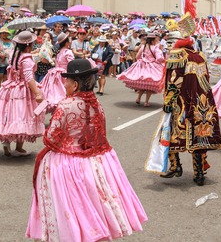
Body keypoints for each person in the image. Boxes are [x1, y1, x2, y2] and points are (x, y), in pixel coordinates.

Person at [26, 58, 147, 241]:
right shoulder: (97, 105)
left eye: (66, 81)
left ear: (74, 84)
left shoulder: (66, 105)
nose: (64, 84)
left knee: (72, 209)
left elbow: (50, 139)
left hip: (69, 164)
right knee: (94, 206)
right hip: (97, 162)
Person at [158, 16, 221, 186]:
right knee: (198, 135)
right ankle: (199, 173)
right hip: (202, 101)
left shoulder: (177, 55)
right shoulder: (199, 55)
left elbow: (174, 80)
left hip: (182, 102)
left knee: (172, 132)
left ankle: (175, 166)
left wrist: (169, 100)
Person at [0, 30, 44, 156]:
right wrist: (37, 92)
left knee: (9, 115)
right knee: (22, 116)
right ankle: (19, 147)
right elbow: (28, 77)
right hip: (22, 90)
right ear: (28, 45)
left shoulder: (15, 55)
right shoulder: (26, 59)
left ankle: (6, 141)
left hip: (10, 87)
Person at [117, 32, 165, 107]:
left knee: (143, 85)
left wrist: (142, 60)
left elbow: (137, 56)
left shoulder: (143, 47)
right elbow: (159, 58)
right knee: (150, 85)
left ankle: (138, 98)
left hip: (143, 65)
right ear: (153, 40)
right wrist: (161, 61)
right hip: (152, 67)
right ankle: (146, 102)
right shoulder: (155, 48)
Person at [39, 32, 74, 110]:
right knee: (63, 95)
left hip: (55, 75)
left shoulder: (59, 52)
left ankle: (44, 111)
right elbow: (71, 64)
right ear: (67, 43)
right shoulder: (68, 52)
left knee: (52, 94)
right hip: (64, 75)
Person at [0, 27, 13, 92]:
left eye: (6, 33)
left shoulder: (11, 41)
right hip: (1, 61)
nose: (4, 34)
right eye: (3, 33)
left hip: (9, 61)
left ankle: (5, 91)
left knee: (6, 76)